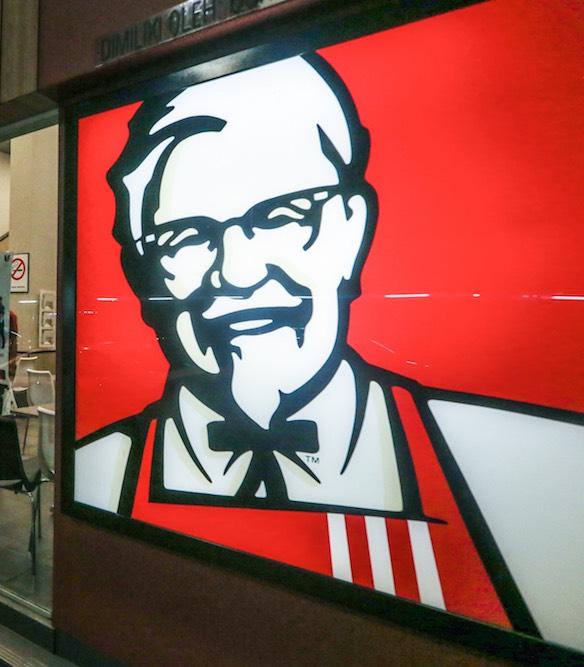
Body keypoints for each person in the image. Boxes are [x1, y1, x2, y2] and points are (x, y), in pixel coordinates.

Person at [74, 54, 584, 648]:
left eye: (282, 216)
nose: (237, 272)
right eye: (187, 237)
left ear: (351, 228)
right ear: (143, 275)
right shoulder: (96, 473)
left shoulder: (538, 473)